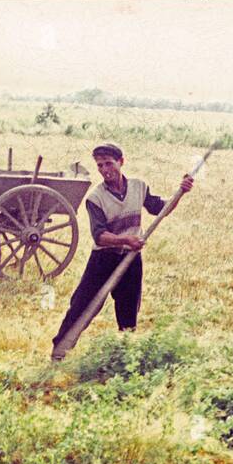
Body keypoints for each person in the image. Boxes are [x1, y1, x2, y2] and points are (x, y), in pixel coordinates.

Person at [50, 143, 193, 360]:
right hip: (103, 260)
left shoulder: (139, 187)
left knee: (128, 311)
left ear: (121, 162)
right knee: (81, 306)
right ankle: (58, 354)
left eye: (109, 163)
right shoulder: (95, 198)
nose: (105, 169)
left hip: (131, 259)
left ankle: (126, 358)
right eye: (100, 166)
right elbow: (100, 236)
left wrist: (180, 192)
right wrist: (126, 239)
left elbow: (160, 209)